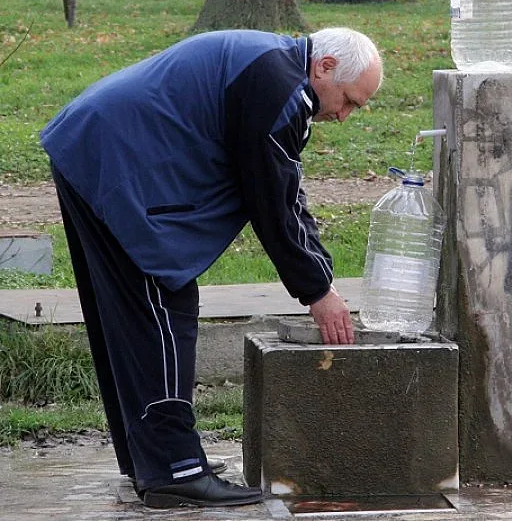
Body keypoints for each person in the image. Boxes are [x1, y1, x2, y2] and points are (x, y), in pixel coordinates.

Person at [40, 28, 383, 508]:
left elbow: (283, 189)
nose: (344, 115)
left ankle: (153, 460)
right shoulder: (280, 90)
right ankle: (175, 471)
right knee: (162, 303)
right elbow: (273, 205)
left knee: (131, 314)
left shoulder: (278, 70)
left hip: (97, 143)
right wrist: (318, 291)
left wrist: (318, 274)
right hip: (118, 159)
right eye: (349, 101)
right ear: (324, 67)